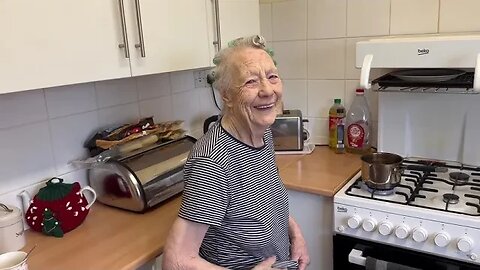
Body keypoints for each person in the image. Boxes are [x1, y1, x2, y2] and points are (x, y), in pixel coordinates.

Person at [162, 35, 310, 270]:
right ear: (226, 96)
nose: (267, 90)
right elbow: (176, 261)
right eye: (251, 81)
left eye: (272, 77)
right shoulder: (212, 162)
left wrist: (296, 236)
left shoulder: (261, 132)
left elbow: (264, 206)